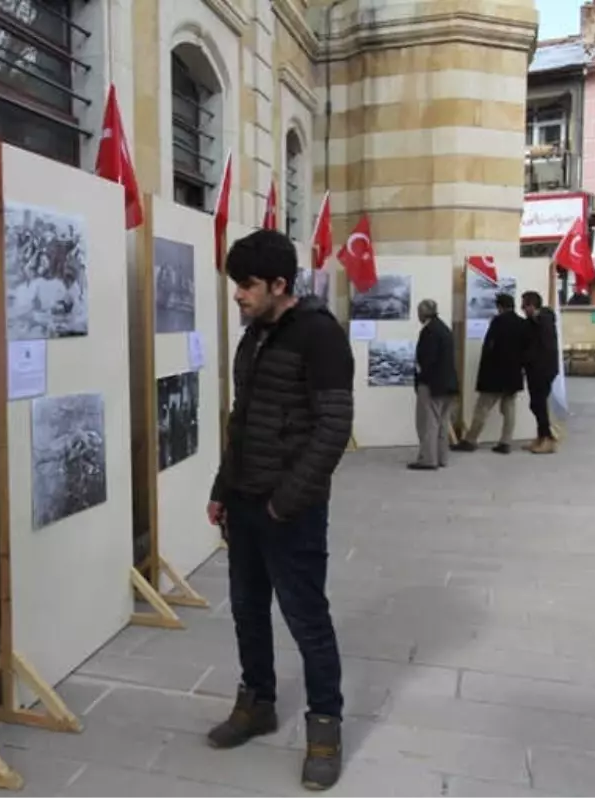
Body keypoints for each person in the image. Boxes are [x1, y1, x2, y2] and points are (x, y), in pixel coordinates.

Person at [205, 229, 353, 791]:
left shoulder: (319, 336)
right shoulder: (255, 336)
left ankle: (325, 728)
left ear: (279, 285)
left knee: (307, 620)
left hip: (289, 511)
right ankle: (257, 703)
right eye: (236, 284)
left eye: (246, 285)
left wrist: (283, 503)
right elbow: (241, 420)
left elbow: (334, 428)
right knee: (247, 610)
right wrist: (223, 487)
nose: (238, 296)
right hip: (244, 503)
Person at [454, 293, 524, 455]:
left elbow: (489, 349)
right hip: (513, 375)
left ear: (499, 306)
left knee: (482, 409)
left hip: (494, 375)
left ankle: (471, 440)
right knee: (509, 409)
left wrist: (483, 376)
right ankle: (506, 442)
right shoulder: (522, 323)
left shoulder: (497, 322)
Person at [410, 298, 458, 470]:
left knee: (428, 422)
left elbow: (426, 361)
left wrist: (420, 380)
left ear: (422, 313)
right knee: (443, 423)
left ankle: (428, 459)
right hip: (449, 384)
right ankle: (441, 457)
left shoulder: (429, 331)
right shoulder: (444, 329)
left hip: (432, 384)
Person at [521, 291, 560, 454]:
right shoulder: (532, 322)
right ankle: (542, 436)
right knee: (536, 404)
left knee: (539, 404)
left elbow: (546, 348)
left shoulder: (544, 320)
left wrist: (535, 363)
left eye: (525, 305)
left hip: (543, 369)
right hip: (534, 369)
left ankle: (547, 439)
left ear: (532, 305)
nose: (522, 308)